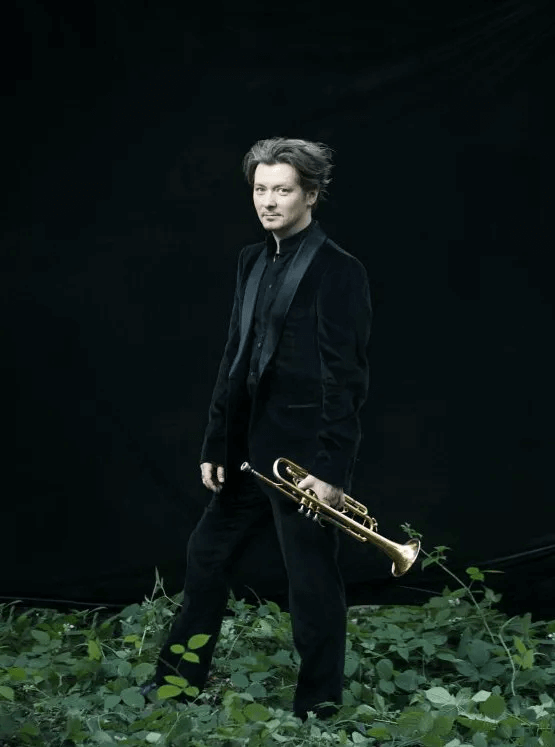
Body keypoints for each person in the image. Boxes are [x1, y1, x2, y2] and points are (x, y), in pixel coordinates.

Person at [142, 137, 372, 720]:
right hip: (245, 451)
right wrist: (215, 443)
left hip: (303, 459)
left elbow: (345, 380)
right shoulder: (251, 259)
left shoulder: (339, 270)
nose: (268, 201)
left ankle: (319, 704)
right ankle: (175, 686)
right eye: (260, 189)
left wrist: (331, 469)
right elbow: (235, 358)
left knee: (312, 582)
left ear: (311, 195)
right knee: (205, 559)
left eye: (282, 190)